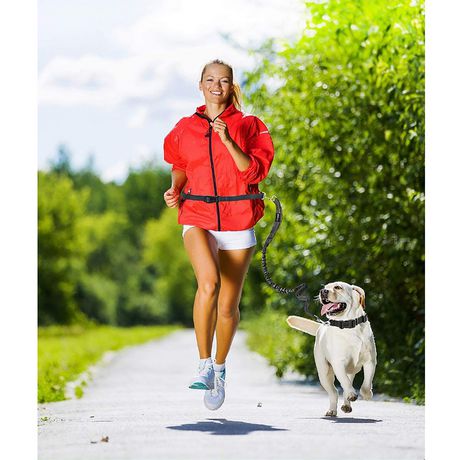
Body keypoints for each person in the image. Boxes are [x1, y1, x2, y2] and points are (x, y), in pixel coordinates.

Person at [163, 59, 274, 410]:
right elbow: (180, 166)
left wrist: (227, 139)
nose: (216, 86)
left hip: (239, 219)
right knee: (207, 283)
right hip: (198, 215)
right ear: (200, 85)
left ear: (232, 87)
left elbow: (254, 171)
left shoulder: (250, 126)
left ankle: (221, 368)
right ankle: (204, 365)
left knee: (227, 307)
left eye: (224, 81)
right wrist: (174, 189)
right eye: (210, 80)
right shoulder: (184, 128)